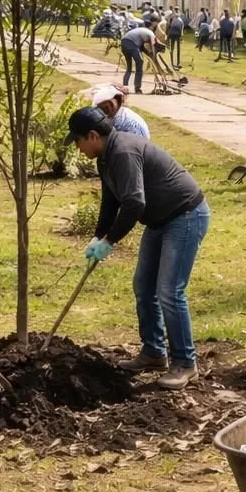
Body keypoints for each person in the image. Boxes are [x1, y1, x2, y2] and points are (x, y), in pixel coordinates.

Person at [65, 107, 209, 390]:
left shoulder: (123, 153)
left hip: (185, 216)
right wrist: (98, 236)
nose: (78, 148)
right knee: (143, 286)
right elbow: (111, 201)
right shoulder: (105, 158)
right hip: (159, 221)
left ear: (93, 136)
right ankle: (154, 352)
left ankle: (185, 363)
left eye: (78, 141)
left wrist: (110, 241)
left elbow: (134, 203)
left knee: (169, 291)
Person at [120, 24, 156, 93]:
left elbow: (141, 48)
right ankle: (137, 88)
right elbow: (152, 46)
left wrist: (148, 53)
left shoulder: (142, 33)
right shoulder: (152, 35)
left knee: (129, 68)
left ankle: (125, 87)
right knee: (140, 62)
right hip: (131, 43)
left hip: (124, 43)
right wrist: (153, 57)